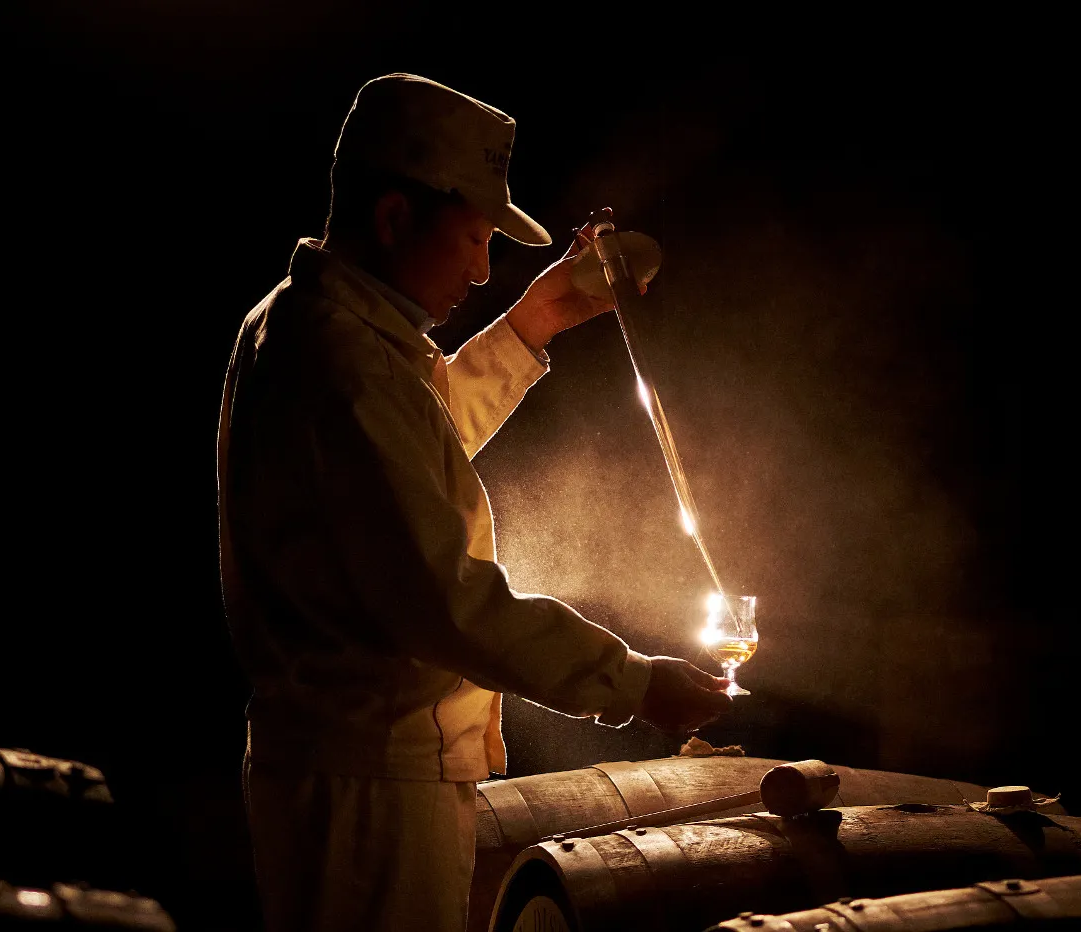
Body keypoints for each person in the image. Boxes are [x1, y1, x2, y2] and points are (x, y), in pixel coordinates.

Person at [216, 73, 732, 932]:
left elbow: (402, 459)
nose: (483, 270)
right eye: (472, 238)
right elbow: (446, 601)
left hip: (349, 769)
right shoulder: (343, 361)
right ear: (392, 219)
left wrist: (533, 324)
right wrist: (632, 682)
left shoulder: (310, 328)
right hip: (371, 784)